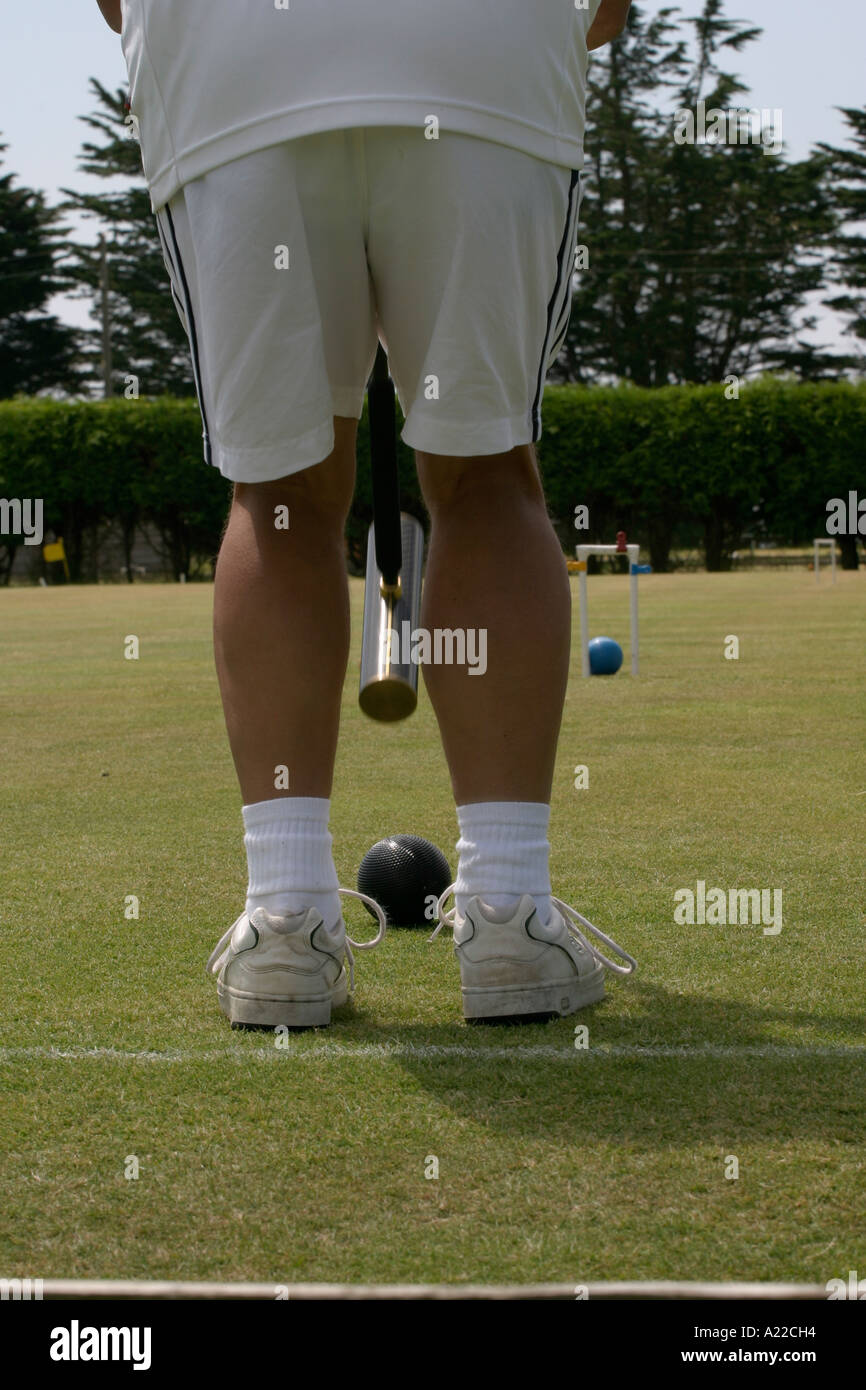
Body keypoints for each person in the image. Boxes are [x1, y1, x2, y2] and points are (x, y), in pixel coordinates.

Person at [99, 0, 636, 1028]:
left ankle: (288, 923)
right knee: (484, 474)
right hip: (482, 59)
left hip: (231, 70)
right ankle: (508, 911)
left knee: (280, 494)